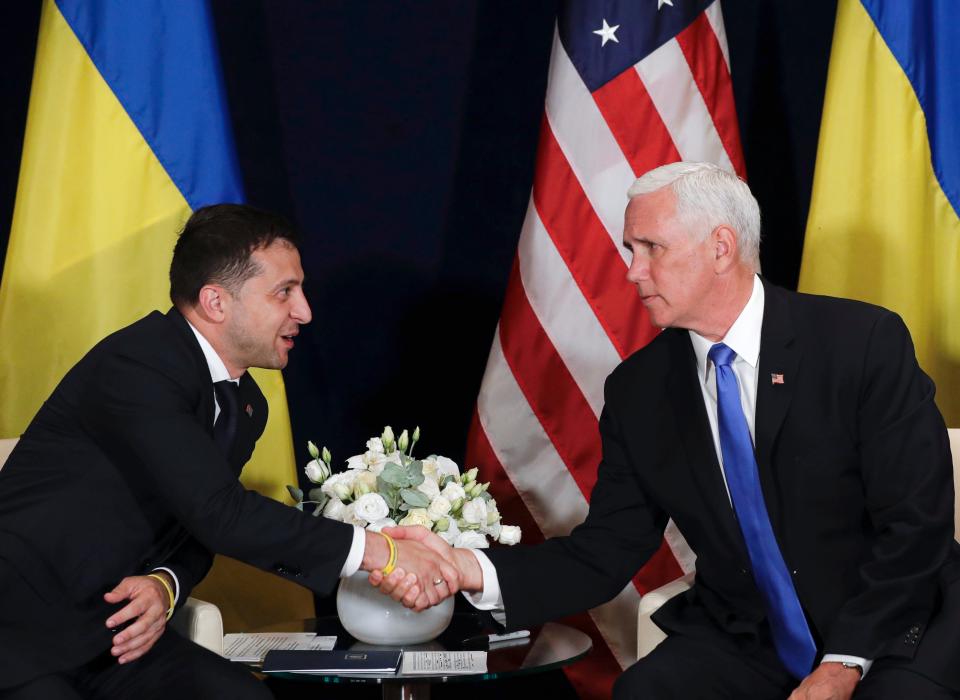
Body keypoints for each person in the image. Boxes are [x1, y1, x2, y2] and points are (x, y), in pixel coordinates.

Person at [375, 163, 960, 699]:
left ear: (721, 248)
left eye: (650, 247)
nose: (631, 271)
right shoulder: (640, 390)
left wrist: (843, 662)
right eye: (630, 249)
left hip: (892, 623)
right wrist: (466, 567)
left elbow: (916, 526)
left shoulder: (860, 343)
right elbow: (604, 552)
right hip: (750, 638)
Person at [0, 204, 459, 700]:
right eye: (285, 292)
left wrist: (166, 583)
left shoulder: (245, 404)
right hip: (20, 629)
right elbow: (222, 513)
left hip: (115, 636)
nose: (305, 311)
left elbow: (196, 528)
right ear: (216, 302)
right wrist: (383, 553)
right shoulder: (138, 365)